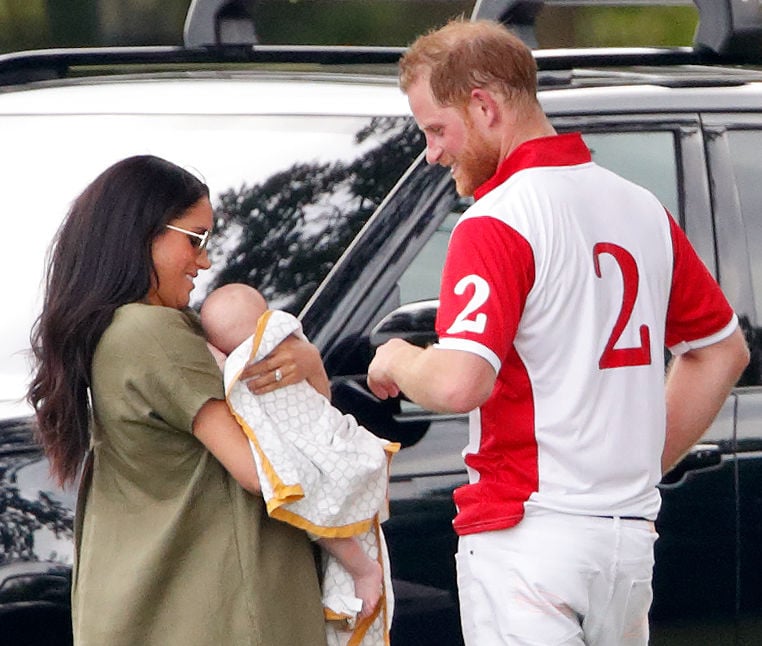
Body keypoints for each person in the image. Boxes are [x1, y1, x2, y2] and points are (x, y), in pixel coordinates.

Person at [366, 19, 751, 646]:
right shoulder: (640, 207)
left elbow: (463, 381)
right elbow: (721, 352)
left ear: (484, 106)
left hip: (529, 538)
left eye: (437, 130)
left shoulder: (495, 218)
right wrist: (632, 467)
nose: (433, 153)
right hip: (625, 543)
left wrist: (398, 359)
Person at [27, 155, 330, 646]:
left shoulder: (116, 332)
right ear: (142, 233)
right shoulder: (154, 333)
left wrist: (306, 365)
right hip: (218, 616)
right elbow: (267, 471)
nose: (205, 261)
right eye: (195, 239)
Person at [200, 282, 396, 645]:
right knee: (324, 508)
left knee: (320, 507)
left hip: (320, 457)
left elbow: (313, 408)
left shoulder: (267, 358)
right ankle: (363, 570)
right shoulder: (277, 348)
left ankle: (363, 571)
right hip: (324, 459)